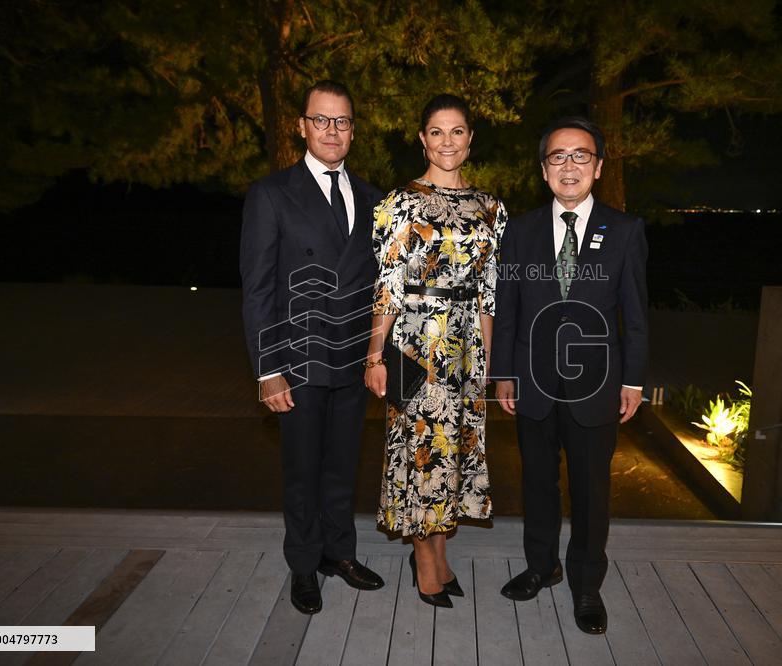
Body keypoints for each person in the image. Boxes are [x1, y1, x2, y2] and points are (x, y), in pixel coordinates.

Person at [492, 116, 648, 634]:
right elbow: (507, 306)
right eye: (558, 156)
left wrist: (633, 381)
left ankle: (586, 584)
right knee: (536, 483)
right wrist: (505, 373)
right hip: (532, 384)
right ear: (543, 169)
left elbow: (636, 314)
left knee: (590, 491)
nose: (569, 165)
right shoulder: (519, 230)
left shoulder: (625, 231)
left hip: (597, 386)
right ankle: (542, 566)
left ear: (599, 167)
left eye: (581, 155)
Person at [240, 80, 385, 615]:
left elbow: (382, 286)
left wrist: (377, 356)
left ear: (353, 131)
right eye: (321, 120)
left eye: (342, 121)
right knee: (301, 469)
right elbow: (256, 289)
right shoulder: (272, 193)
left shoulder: (374, 198)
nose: (332, 130)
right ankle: (304, 565)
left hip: (352, 360)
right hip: (297, 359)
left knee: (343, 465)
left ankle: (338, 553)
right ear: (301, 126)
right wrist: (266, 370)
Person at [364, 94, 507, 608]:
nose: (447, 141)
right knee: (422, 451)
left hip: (468, 348)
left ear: (471, 139)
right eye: (436, 131)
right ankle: (424, 561)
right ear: (422, 138)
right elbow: (387, 286)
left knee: (456, 451)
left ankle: (439, 552)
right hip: (414, 345)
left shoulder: (492, 207)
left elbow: (490, 292)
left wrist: (492, 365)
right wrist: (375, 357)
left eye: (458, 131)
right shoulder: (399, 203)